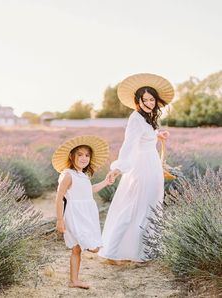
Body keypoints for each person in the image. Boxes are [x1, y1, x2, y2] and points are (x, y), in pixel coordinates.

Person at [98, 73, 174, 264]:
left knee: (149, 207)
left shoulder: (147, 118)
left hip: (152, 165)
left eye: (151, 99)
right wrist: (118, 168)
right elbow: (129, 145)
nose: (149, 102)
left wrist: (157, 134)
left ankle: (143, 251)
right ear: (137, 101)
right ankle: (112, 252)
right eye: (145, 99)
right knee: (132, 207)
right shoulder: (135, 118)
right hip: (141, 168)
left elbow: (145, 136)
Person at [52, 135, 114, 289]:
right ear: (71, 156)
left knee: (77, 249)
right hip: (75, 215)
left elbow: (89, 191)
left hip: (87, 214)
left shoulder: (83, 175)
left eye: (87, 155)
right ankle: (74, 280)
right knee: (93, 248)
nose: (84, 158)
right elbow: (59, 197)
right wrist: (60, 220)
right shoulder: (67, 175)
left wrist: (106, 182)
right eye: (79, 154)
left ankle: (74, 281)